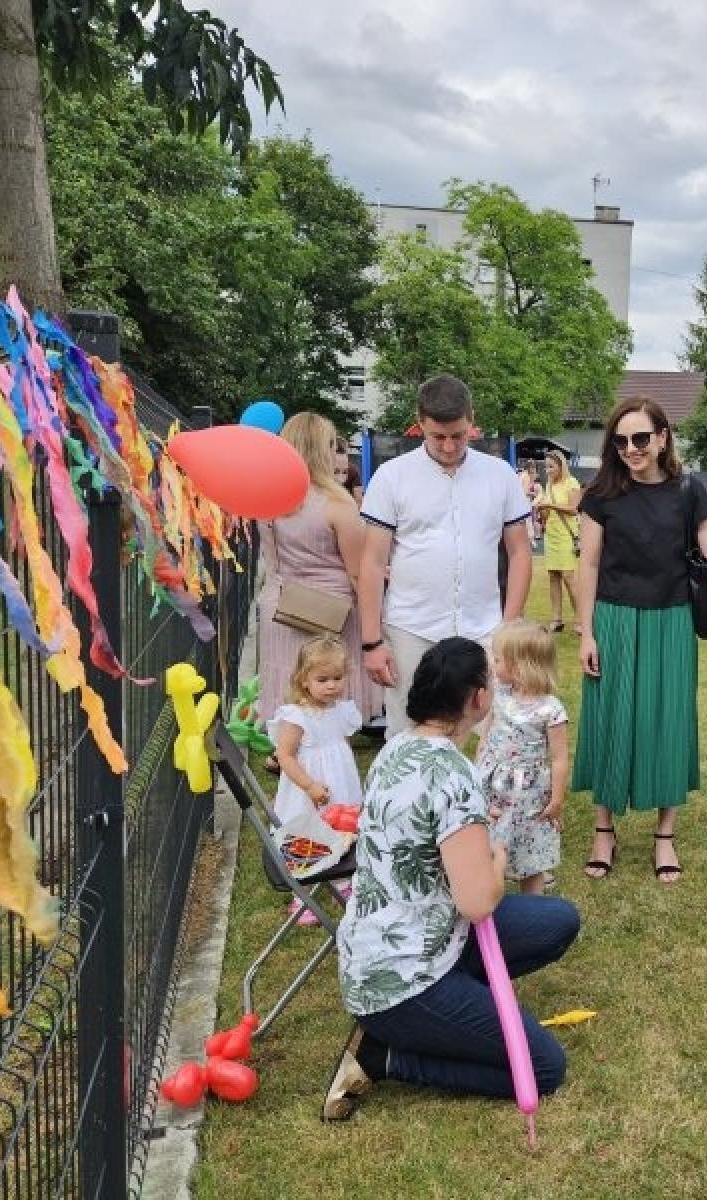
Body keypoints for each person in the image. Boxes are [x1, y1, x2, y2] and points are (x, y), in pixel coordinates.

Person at [324, 637, 581, 1119]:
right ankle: (386, 1056)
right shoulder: (456, 775)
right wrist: (498, 860)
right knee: (546, 1067)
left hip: (388, 947)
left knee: (558, 920)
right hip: (402, 983)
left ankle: (454, 1007)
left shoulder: (397, 746)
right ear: (479, 699)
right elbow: (478, 903)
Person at [573, 396, 707, 884]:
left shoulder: (689, 491)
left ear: (663, 437)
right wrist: (587, 632)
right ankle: (603, 829)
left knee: (669, 721)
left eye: (641, 438)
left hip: (672, 621)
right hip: (614, 620)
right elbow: (588, 564)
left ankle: (665, 835)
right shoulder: (600, 493)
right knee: (609, 717)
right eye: (621, 440)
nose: (631, 448)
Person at [358, 374, 533, 735]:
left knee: (495, 735)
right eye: (438, 437)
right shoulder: (391, 477)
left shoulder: (500, 475)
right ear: (420, 423)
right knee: (408, 732)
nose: (449, 446)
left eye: (458, 436)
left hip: (484, 626)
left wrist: (508, 627)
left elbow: (519, 553)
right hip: (411, 626)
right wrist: (372, 641)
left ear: (472, 420)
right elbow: (372, 563)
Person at [257, 413, 381, 731]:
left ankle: (285, 749)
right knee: (329, 687)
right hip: (331, 614)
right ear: (322, 450)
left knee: (292, 681)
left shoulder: (267, 499)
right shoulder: (337, 504)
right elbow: (358, 572)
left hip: (281, 607)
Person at [267, 635, 361, 927]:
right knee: (307, 832)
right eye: (322, 679)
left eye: (337, 678)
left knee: (340, 826)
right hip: (306, 786)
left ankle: (342, 880)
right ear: (303, 680)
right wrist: (308, 785)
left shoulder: (341, 710)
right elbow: (285, 755)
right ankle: (302, 892)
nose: (331, 685)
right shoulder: (296, 716)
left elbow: (337, 743)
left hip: (338, 781)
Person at [477, 620, 568, 896]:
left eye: (497, 659)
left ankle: (533, 905)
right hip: (492, 782)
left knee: (530, 853)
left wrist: (556, 799)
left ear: (519, 667)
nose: (492, 665)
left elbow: (559, 758)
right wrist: (477, 766)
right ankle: (486, 898)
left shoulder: (550, 709)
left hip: (527, 791)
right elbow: (487, 733)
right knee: (486, 843)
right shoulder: (499, 694)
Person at [534, 450, 582, 634]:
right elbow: (548, 513)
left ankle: (580, 620)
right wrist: (542, 512)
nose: (548, 470)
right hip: (551, 535)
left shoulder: (572, 483)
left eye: (551, 466)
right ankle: (557, 618)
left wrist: (549, 505)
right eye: (546, 467)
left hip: (566, 536)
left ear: (561, 466)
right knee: (553, 576)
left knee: (569, 578)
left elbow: (574, 509)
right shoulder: (549, 485)